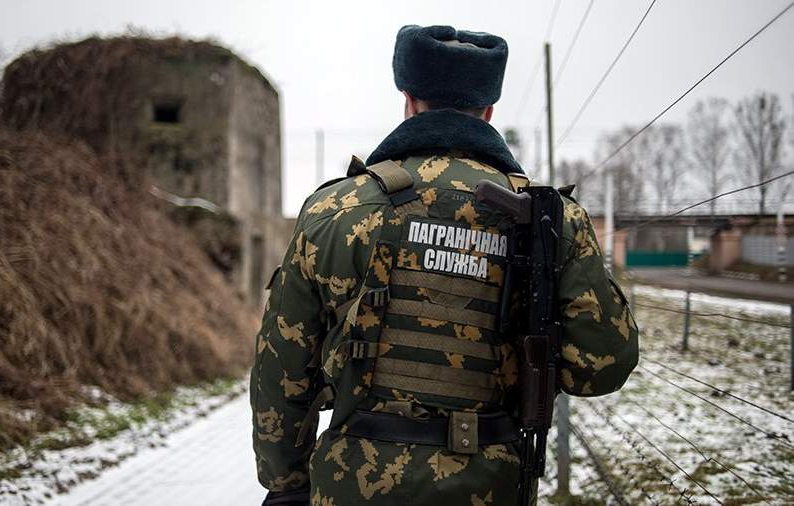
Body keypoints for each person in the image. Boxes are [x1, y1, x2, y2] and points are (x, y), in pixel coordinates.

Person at [251, 24, 638, 506]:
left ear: (409, 101)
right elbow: (601, 369)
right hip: (492, 486)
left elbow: (281, 369)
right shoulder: (549, 220)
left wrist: (286, 483)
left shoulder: (334, 210)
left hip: (352, 484)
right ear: (488, 110)